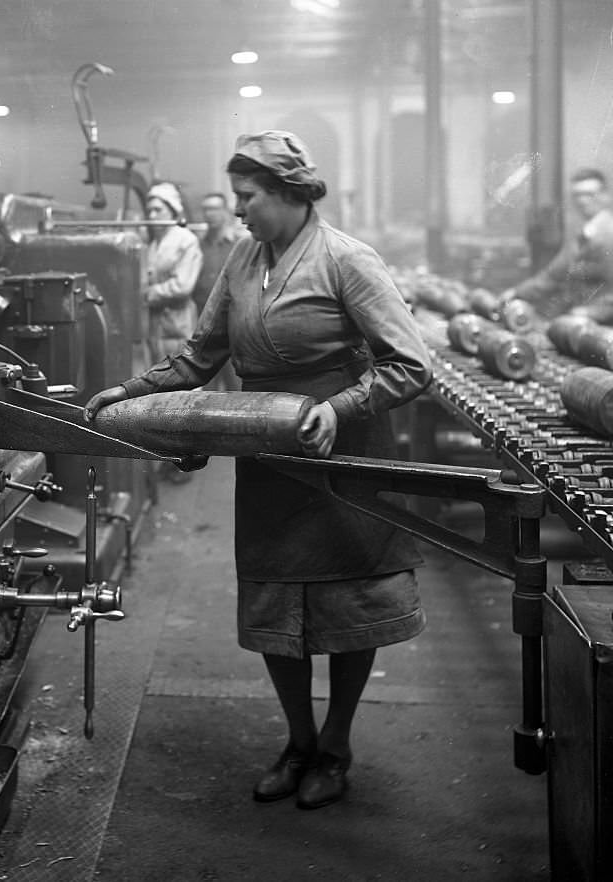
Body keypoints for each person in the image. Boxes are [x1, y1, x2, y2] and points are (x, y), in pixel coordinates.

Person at [84, 130, 433, 809]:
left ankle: (335, 746)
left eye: (248, 197)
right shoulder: (244, 259)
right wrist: (133, 393)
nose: (236, 210)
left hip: (343, 450)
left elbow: (411, 364)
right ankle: (298, 741)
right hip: (269, 448)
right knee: (276, 593)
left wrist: (341, 406)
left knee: (347, 598)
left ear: (286, 195)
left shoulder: (346, 261)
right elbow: (199, 355)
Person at [141, 181, 202, 484]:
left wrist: (148, 294)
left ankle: (189, 458)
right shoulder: (154, 242)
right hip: (156, 326)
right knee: (163, 389)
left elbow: (182, 285)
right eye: (149, 209)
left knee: (183, 388)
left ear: (173, 210)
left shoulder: (185, 240)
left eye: (158, 208)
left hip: (176, 323)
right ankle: (169, 457)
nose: (152, 214)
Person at [500, 167, 613, 320]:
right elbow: (552, 276)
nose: (582, 201)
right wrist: (516, 293)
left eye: (589, 194)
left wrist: (591, 313)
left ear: (605, 196)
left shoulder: (609, 233)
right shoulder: (582, 234)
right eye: (577, 195)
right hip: (580, 321)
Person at [193, 192, 246, 390]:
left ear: (225, 211)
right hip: (206, 329)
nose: (209, 214)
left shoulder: (240, 244)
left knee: (237, 389)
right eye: (205, 209)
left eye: (214, 208)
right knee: (208, 391)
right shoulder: (198, 245)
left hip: (235, 330)